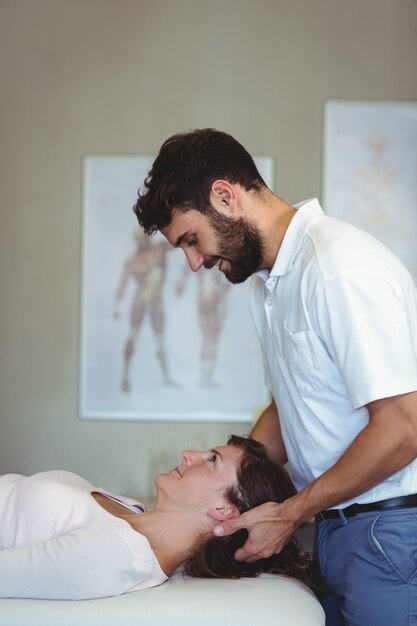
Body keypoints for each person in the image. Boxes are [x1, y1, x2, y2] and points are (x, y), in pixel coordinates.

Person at [133, 128, 417, 625]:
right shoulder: (270, 285)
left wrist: (290, 513)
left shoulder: (337, 267)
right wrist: (215, 483)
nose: (194, 263)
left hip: (387, 528)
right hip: (338, 527)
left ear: (226, 196)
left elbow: (404, 427)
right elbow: (291, 407)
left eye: (192, 241)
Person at [0, 436, 319, 600]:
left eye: (211, 460)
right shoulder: (134, 512)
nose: (188, 455)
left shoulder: (118, 554)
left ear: (225, 511)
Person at [114, 228, 176, 391]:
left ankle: (166, 377)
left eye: (144, 237)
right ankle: (125, 375)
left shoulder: (160, 249)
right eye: (139, 239)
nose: (142, 241)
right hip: (140, 301)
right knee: (133, 335)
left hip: (155, 301)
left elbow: (178, 242)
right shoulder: (133, 261)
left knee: (159, 340)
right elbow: (123, 284)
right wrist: (117, 306)